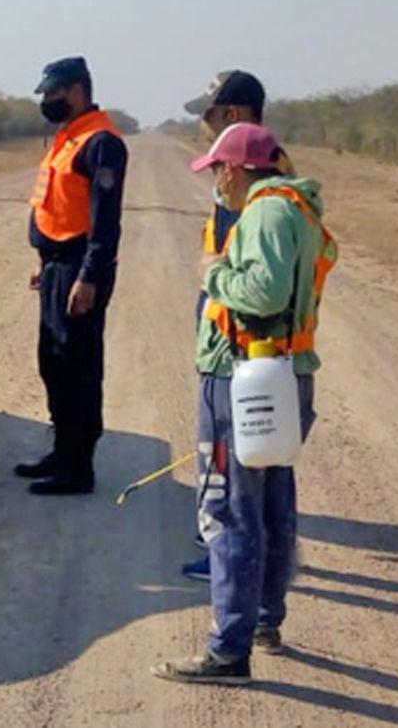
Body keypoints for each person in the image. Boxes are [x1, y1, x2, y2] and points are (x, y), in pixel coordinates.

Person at [152, 123, 336, 685]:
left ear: (233, 169)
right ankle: (262, 621)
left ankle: (228, 650)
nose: (216, 185)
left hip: (240, 378)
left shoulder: (263, 214)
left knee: (231, 509)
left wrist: (215, 275)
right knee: (274, 500)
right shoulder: (299, 210)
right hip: (286, 374)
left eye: (216, 172)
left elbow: (262, 292)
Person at [15, 56, 127, 496]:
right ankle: (62, 450)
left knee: (78, 367)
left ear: (78, 90)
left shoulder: (102, 143)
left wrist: (88, 278)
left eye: (53, 93)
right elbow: (55, 206)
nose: (47, 101)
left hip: (82, 268)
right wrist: (44, 263)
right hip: (58, 265)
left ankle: (79, 467)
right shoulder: (67, 137)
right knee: (54, 362)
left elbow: (104, 224)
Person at [179, 70, 272, 581]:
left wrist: (214, 275)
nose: (201, 124)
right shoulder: (241, 172)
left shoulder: (250, 179)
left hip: (237, 343)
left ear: (233, 115)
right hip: (224, 330)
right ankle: (230, 550)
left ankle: (228, 558)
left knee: (226, 457)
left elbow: (249, 276)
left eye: (208, 114)